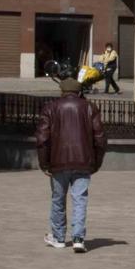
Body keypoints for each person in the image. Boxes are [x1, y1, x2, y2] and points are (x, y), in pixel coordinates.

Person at [35, 78, 107, 252]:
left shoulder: (50, 108)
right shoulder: (90, 107)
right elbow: (100, 138)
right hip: (83, 162)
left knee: (58, 199)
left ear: (62, 91)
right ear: (78, 91)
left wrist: (44, 164)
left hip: (57, 162)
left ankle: (59, 238)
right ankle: (78, 238)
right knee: (80, 199)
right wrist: (96, 163)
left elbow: (42, 139)